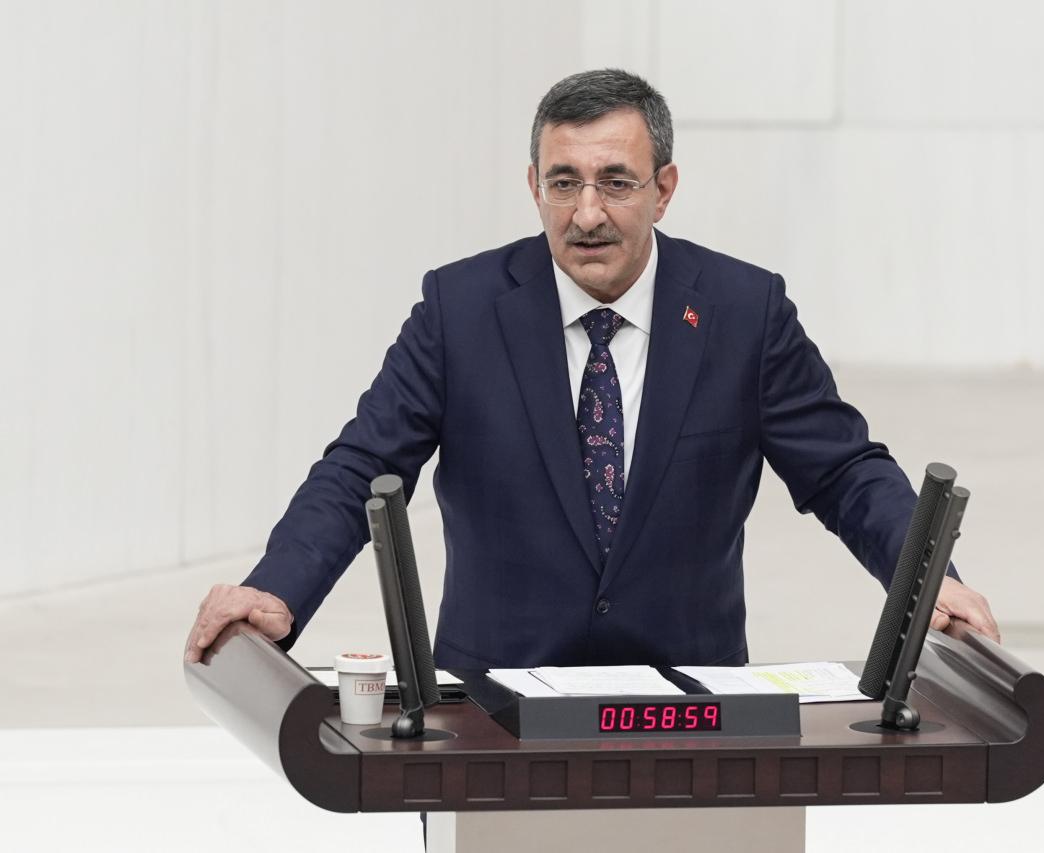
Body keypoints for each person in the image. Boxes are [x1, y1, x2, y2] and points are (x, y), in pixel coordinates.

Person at [184, 69, 999, 669]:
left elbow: (845, 472)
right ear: (533, 186)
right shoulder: (460, 311)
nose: (587, 213)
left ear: (664, 189)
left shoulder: (744, 312)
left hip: (691, 709)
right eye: (564, 183)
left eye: (616, 183)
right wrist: (276, 589)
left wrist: (928, 580)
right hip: (491, 713)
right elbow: (362, 465)